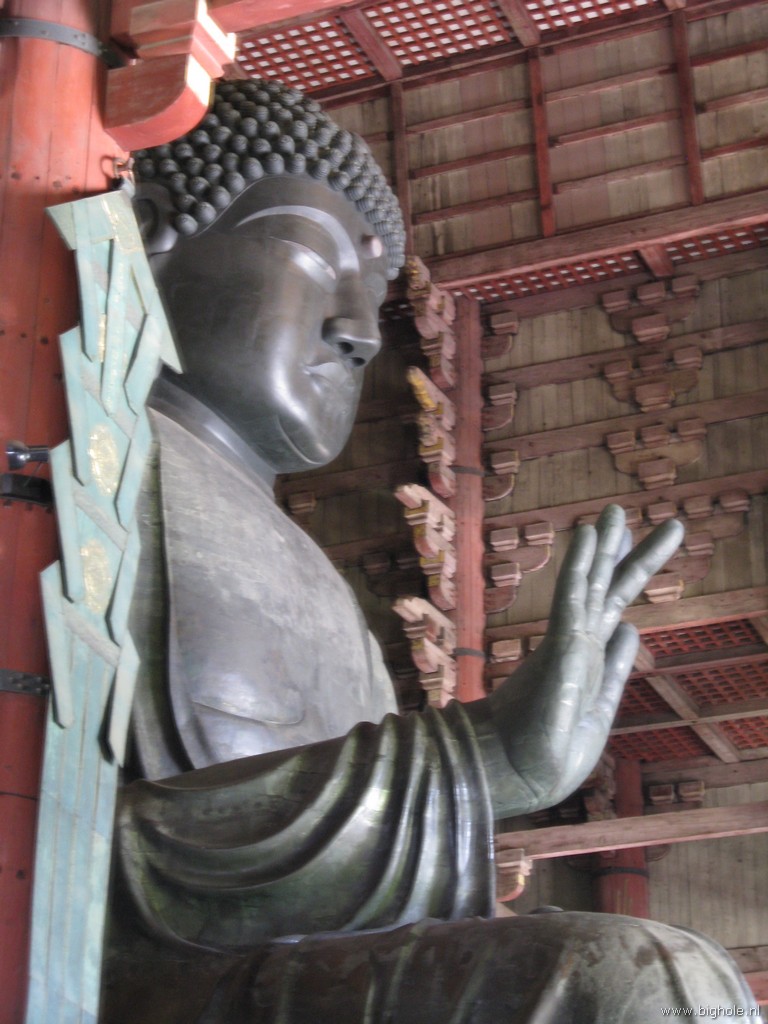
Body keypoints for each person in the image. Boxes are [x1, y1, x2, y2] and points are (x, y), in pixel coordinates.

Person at [100, 80, 760, 1023]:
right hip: (127, 978)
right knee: (633, 983)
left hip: (266, 966)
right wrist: (475, 758)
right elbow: (76, 842)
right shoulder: (75, 467)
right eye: (315, 259)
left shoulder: (316, 578)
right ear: (148, 229)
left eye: (370, 296)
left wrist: (474, 781)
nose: (360, 332)